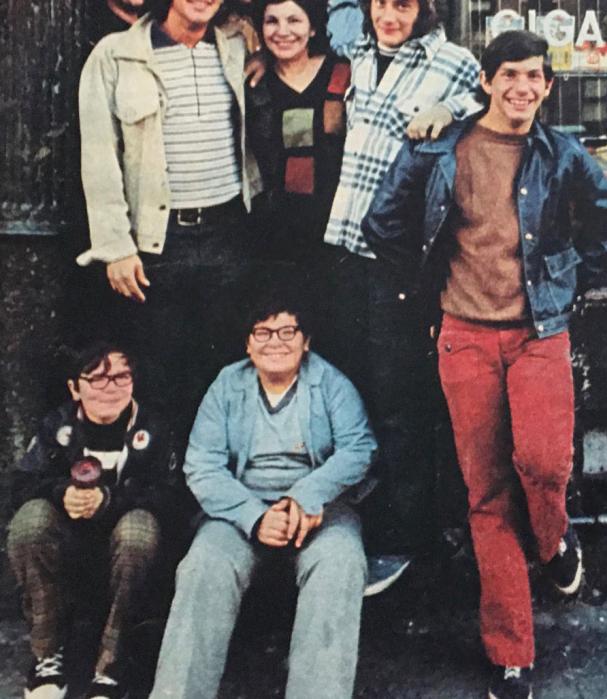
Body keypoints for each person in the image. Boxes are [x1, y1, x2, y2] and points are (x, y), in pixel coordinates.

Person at [363, 30, 607, 698]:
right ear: (485, 81)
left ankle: (555, 543)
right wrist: (424, 290)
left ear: (546, 84)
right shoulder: (440, 149)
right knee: (486, 494)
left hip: (539, 333)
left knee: (544, 463)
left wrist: (563, 281)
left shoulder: (560, 154)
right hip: (464, 337)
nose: (522, 88)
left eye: (534, 77)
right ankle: (512, 653)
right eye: (509, 75)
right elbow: (383, 224)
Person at [320, 0, 481, 595]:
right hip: (342, 246)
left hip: (397, 256)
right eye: (381, 3)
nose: (391, 15)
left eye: (404, 4)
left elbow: (487, 107)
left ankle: (402, 538)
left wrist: (447, 109)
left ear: (425, 9)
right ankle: (354, 525)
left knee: (399, 402)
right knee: (350, 390)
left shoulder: (453, 61)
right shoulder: (356, 53)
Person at [150, 292, 376, 699]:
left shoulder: (331, 383)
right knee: (203, 567)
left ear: (306, 341)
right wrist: (254, 516)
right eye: (263, 332)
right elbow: (201, 464)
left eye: (288, 331)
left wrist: (306, 497)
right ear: (248, 342)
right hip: (239, 509)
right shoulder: (227, 385)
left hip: (320, 511)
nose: (276, 342)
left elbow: (359, 450)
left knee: (340, 564)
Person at [77, 0, 262, 432]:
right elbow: (99, 155)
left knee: (227, 368)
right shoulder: (116, 54)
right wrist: (116, 247)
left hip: (229, 233)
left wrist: (262, 53)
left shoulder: (236, 46)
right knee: (161, 373)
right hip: (159, 243)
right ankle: (164, 492)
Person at [8, 344, 179, 699]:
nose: (109, 387)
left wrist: (110, 500)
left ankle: (111, 668)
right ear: (75, 387)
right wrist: (61, 493)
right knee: (29, 521)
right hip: (68, 542)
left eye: (120, 376)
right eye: (97, 378)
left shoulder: (153, 428)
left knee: (138, 530)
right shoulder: (57, 424)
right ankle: (46, 658)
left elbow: (170, 494)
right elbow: (21, 483)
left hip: (128, 547)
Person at [247, 0, 350, 262]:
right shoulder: (256, 84)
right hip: (273, 234)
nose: (282, 31)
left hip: (337, 229)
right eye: (272, 21)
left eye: (294, 20)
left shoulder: (343, 74)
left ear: (313, 27)